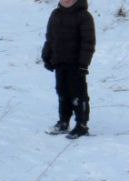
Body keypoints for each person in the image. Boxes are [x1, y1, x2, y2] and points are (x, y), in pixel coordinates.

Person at [41, 0, 96, 139]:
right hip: (60, 62)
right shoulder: (55, 14)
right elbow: (50, 38)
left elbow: (88, 42)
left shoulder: (84, 16)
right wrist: (47, 56)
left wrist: (84, 63)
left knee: (78, 94)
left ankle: (82, 125)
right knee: (62, 92)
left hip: (76, 64)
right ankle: (63, 122)